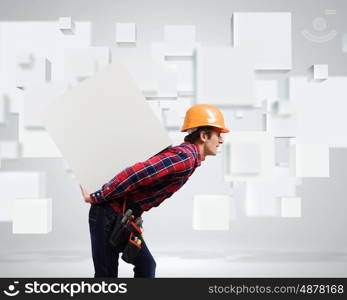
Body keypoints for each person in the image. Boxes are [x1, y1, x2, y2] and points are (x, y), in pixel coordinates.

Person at [80, 104, 229, 278]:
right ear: (204, 136)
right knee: (106, 277)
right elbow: (136, 174)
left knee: (146, 266)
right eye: (218, 134)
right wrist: (97, 196)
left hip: (122, 217)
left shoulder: (189, 158)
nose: (221, 140)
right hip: (107, 213)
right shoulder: (185, 158)